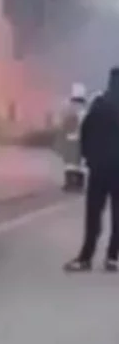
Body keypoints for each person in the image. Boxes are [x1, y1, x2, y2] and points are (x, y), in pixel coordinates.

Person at [64, 67, 119, 273]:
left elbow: (86, 131)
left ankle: (85, 256)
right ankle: (113, 257)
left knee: (94, 213)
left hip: (99, 169)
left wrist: (90, 157)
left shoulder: (99, 104)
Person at [58, 83, 88, 193]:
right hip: (77, 140)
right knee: (74, 164)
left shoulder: (73, 111)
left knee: (73, 163)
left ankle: (73, 183)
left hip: (75, 140)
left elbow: (64, 125)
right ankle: (75, 184)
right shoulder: (82, 112)